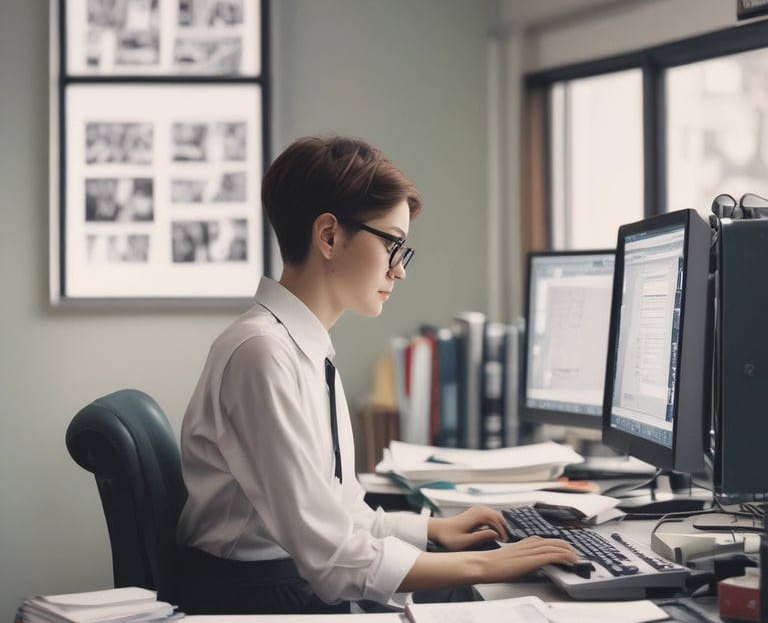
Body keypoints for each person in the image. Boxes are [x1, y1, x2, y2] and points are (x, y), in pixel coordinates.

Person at [174, 134, 578, 615]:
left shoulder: (301, 344)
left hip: (283, 583)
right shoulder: (261, 354)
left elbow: (339, 515)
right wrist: (486, 566)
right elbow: (333, 558)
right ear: (328, 236)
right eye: (393, 245)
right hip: (258, 600)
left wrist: (431, 529)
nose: (400, 271)